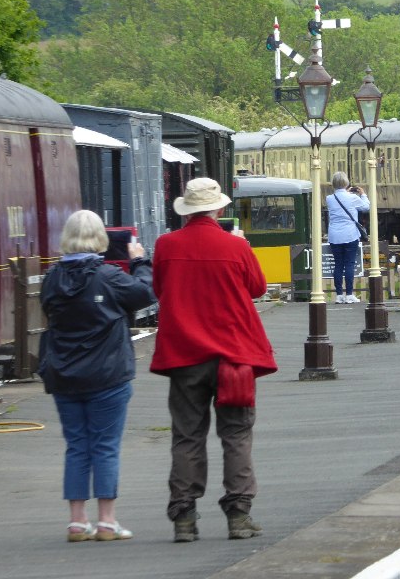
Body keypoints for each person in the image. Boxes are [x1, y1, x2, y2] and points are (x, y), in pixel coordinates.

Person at [150, 177, 278, 543]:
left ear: (187, 210)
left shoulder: (166, 245)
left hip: (185, 355)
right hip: (233, 356)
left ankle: (184, 519)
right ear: (219, 208)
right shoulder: (234, 246)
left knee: (187, 436)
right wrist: (243, 250)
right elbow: (257, 287)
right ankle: (239, 516)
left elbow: (160, 289)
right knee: (236, 433)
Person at [39, 210, 156, 543]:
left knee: (77, 446)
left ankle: (77, 522)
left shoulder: (52, 278)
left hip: (65, 375)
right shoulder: (108, 276)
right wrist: (140, 261)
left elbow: (50, 312)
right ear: (101, 240)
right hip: (108, 375)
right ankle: (106, 521)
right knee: (104, 447)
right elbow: (146, 294)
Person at [326, 171, 370, 303]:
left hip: (334, 236)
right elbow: (366, 207)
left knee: (338, 265)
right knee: (349, 264)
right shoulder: (353, 198)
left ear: (333, 184)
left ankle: (339, 295)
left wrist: (346, 192)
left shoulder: (329, 198)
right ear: (346, 183)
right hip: (350, 235)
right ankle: (350, 294)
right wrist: (362, 194)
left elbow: (340, 200)